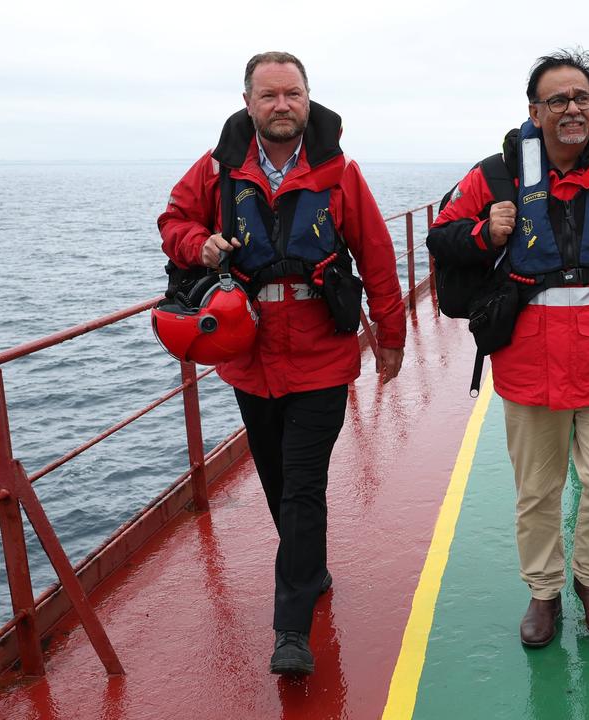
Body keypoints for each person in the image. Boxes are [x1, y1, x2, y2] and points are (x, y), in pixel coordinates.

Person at [427, 49, 589, 648]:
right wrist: (482, 230)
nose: (572, 108)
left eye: (581, 98)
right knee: (537, 492)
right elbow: (440, 238)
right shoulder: (493, 177)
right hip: (528, 370)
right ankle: (544, 592)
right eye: (558, 100)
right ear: (534, 112)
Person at [158, 51, 406, 675]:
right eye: (268, 96)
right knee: (276, 479)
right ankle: (310, 567)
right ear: (248, 103)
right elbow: (174, 220)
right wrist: (199, 242)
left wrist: (391, 335)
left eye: (292, 94)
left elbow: (376, 255)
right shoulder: (217, 170)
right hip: (250, 353)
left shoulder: (339, 171)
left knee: (302, 483)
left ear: (308, 98)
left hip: (322, 351)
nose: (281, 106)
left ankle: (290, 630)